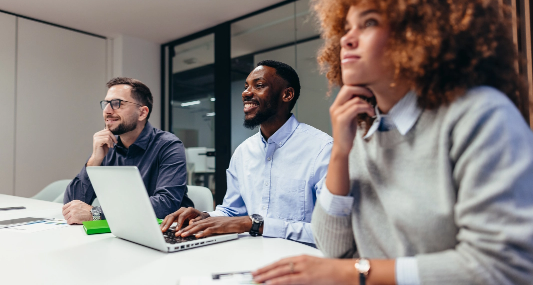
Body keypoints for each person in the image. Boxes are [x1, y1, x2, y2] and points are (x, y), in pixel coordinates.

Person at [253, 0, 533, 284]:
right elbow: (333, 248)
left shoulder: (480, 115)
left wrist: (353, 274)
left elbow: (500, 268)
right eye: (347, 27)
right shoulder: (365, 130)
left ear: (420, 33)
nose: (347, 39)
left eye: (369, 23)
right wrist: (340, 151)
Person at [160, 60, 332, 245]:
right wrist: (205, 216)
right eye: (246, 87)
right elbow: (232, 212)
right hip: (248, 253)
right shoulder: (243, 152)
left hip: (301, 260)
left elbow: (331, 233)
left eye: (259, 86)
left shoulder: (322, 149)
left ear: (287, 94)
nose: (246, 93)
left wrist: (255, 224)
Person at [63, 77, 193, 224]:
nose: (107, 111)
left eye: (117, 103)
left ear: (142, 113)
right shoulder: (106, 146)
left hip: (164, 232)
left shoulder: (168, 146)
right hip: (120, 231)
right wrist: (94, 161)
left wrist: (97, 213)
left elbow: (165, 206)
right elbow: (72, 207)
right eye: (106, 104)